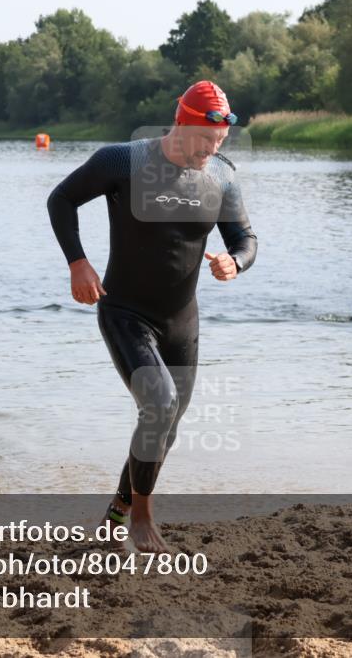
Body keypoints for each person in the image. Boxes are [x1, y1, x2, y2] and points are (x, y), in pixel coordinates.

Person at [47, 81, 257, 552]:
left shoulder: (220, 176)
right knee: (159, 405)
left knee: (168, 423)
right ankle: (141, 516)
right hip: (125, 311)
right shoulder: (122, 162)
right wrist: (78, 262)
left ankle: (115, 514)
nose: (211, 150)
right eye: (205, 139)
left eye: (219, 141)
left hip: (181, 321)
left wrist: (235, 262)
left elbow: (246, 239)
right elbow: (61, 199)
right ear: (180, 123)